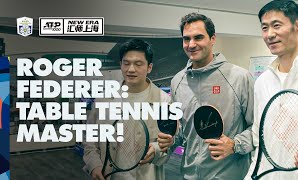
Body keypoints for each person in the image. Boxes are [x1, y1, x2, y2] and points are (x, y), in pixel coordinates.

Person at [157, 12, 254, 180]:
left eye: (198, 37)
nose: (191, 44)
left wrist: (235, 145)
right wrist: (170, 141)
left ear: (213, 38)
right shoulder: (178, 81)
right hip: (189, 176)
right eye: (186, 39)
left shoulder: (239, 77)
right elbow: (183, 132)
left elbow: (259, 127)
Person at [245, 1, 298, 179]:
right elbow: (259, 139)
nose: (270, 34)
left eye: (276, 25)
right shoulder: (262, 82)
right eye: (264, 28)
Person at [83, 39, 171, 180]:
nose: (131, 69)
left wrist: (156, 149)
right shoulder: (104, 98)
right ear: (120, 64)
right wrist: (94, 165)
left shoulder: (164, 101)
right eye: (126, 63)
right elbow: (90, 140)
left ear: (149, 67)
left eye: (138, 64)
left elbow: (170, 143)